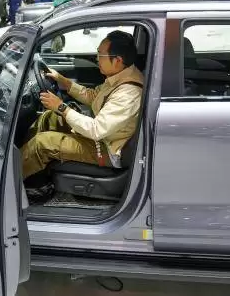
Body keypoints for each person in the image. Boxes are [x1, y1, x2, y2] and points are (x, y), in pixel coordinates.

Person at [21, 31, 144, 188]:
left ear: (117, 60)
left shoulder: (128, 93)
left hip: (107, 148)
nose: (97, 58)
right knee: (49, 117)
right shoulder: (120, 76)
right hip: (103, 135)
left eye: (100, 55)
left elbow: (96, 130)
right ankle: (29, 167)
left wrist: (61, 107)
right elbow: (93, 96)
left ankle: (10, 181)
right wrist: (63, 80)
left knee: (42, 143)